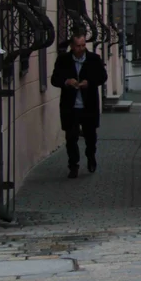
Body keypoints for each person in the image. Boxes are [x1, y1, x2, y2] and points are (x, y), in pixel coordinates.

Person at [51, 32, 108, 178]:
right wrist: (67, 81)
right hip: (70, 106)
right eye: (78, 46)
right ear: (72, 46)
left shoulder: (94, 59)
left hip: (89, 105)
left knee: (90, 136)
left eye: (83, 45)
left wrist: (89, 82)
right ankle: (73, 165)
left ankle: (91, 157)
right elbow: (54, 79)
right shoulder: (63, 59)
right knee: (71, 137)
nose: (81, 49)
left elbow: (102, 76)